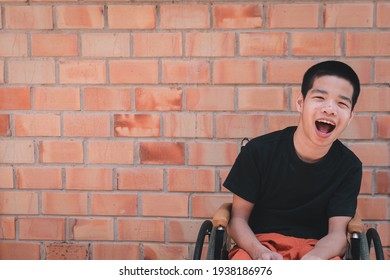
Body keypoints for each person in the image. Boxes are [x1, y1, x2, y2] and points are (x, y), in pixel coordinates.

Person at [224, 60, 362, 260]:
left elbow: (337, 234)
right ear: (300, 103)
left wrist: (313, 259)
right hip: (258, 245)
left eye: (341, 103)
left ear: (350, 116)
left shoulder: (349, 166)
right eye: (320, 97)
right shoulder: (259, 151)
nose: (330, 109)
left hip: (317, 249)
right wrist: (259, 252)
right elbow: (237, 219)